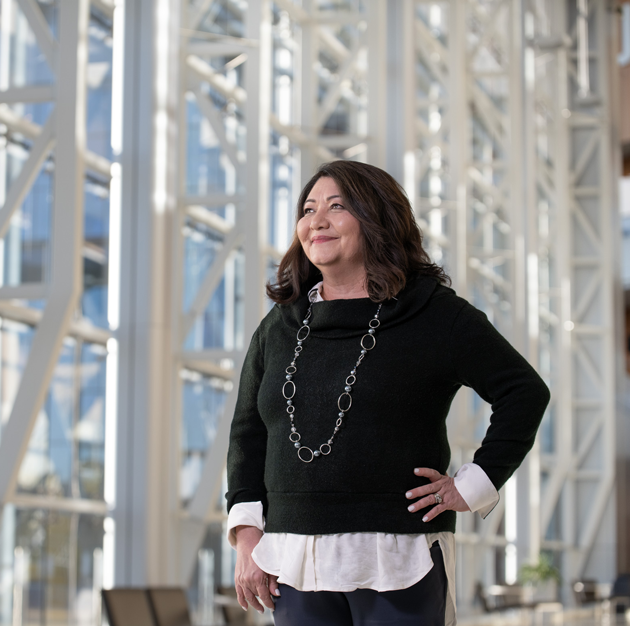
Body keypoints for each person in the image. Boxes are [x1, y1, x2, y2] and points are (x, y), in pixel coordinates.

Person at [225, 160, 551, 626]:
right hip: (294, 560)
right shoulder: (278, 328)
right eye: (309, 208)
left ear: (376, 218)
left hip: (399, 557)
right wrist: (247, 537)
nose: (316, 220)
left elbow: (523, 392)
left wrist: (472, 484)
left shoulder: (434, 314)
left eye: (337, 206)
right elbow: (247, 434)